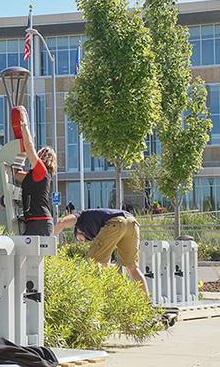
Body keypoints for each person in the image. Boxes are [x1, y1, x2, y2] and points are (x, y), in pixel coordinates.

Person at [55, 208, 149, 296]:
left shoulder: (80, 217)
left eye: (80, 240)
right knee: (132, 267)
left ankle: (97, 297)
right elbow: (105, 260)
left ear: (78, 231)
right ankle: (146, 304)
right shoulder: (98, 228)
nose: (82, 243)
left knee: (91, 261)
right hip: (132, 222)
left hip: (116, 222)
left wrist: (48, 240)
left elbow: (61, 222)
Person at [13, 106, 57, 236]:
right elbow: (15, 174)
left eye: (42, 153)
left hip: (39, 222)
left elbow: (29, 146)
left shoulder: (41, 171)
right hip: (35, 222)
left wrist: (24, 123)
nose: (39, 154)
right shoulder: (34, 176)